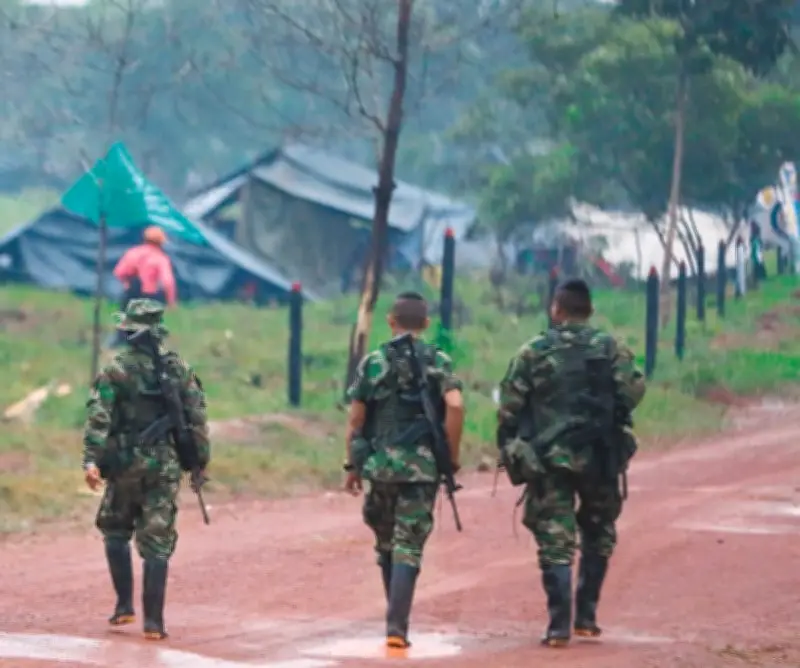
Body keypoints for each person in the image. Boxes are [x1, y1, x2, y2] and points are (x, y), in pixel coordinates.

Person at [496, 278, 645, 648]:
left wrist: (513, 442)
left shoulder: (534, 351)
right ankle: (587, 617)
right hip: (600, 457)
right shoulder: (610, 348)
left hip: (549, 460)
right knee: (598, 531)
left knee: (554, 537)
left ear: (556, 310)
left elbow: (509, 407)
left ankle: (558, 626)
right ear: (589, 311)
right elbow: (634, 391)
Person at [344, 291, 465, 650]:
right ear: (426, 324)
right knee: (408, 545)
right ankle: (397, 627)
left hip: (379, 467)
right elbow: (455, 406)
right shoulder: (438, 360)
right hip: (422, 469)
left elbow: (356, 418)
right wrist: (450, 456)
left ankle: (394, 618)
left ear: (390, 322)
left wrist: (352, 465)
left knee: (386, 544)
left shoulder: (374, 362)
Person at [82, 298, 210, 640]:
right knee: (157, 539)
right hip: (164, 465)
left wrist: (91, 460)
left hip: (124, 464)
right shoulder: (178, 369)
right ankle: (153, 623)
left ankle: (124, 606)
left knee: (115, 528)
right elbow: (196, 419)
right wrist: (198, 463)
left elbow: (99, 417)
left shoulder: (116, 370)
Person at [113, 226, 178, 308]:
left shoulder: (132, 252)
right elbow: (168, 281)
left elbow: (119, 272)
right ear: (161, 242)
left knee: (126, 319)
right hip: (149, 296)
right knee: (146, 320)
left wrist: (127, 284)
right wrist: (171, 301)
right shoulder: (161, 258)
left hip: (130, 295)